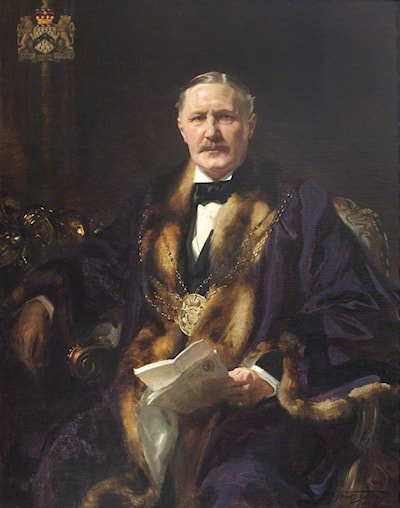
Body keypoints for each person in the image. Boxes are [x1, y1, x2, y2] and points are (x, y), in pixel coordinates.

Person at [2, 71, 399, 507]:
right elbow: (100, 264)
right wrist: (45, 299)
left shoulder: (300, 205)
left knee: (240, 483)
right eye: (199, 118)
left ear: (249, 125)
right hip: (147, 399)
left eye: (225, 117)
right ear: (182, 128)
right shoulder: (153, 204)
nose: (211, 131)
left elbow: (356, 306)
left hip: (251, 409)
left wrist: (271, 374)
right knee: (65, 462)